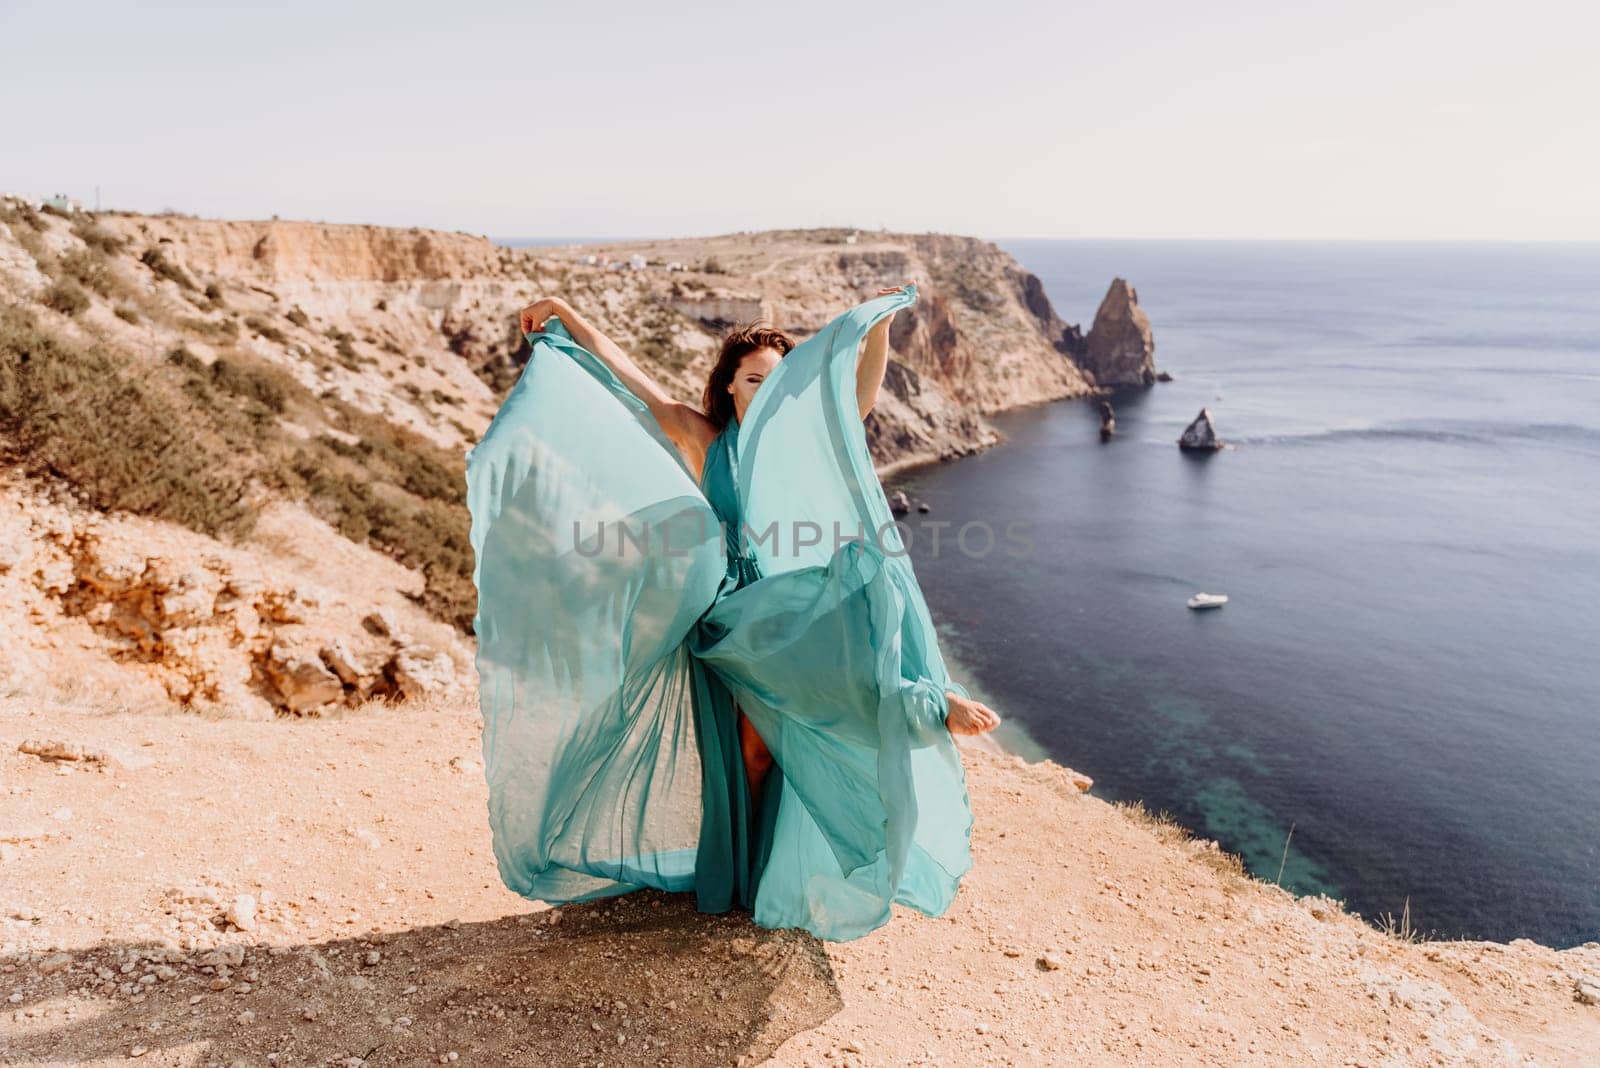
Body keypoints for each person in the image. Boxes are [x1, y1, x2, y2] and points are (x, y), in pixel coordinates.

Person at [467, 282, 1000, 941]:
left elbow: (857, 395)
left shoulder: (805, 444)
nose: (765, 391)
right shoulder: (702, 437)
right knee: (752, 754)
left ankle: (923, 696)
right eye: (753, 379)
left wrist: (879, 327)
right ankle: (750, 875)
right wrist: (568, 315)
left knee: (864, 582)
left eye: (777, 382)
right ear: (730, 387)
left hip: (788, 607)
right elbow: (631, 377)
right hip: (733, 613)